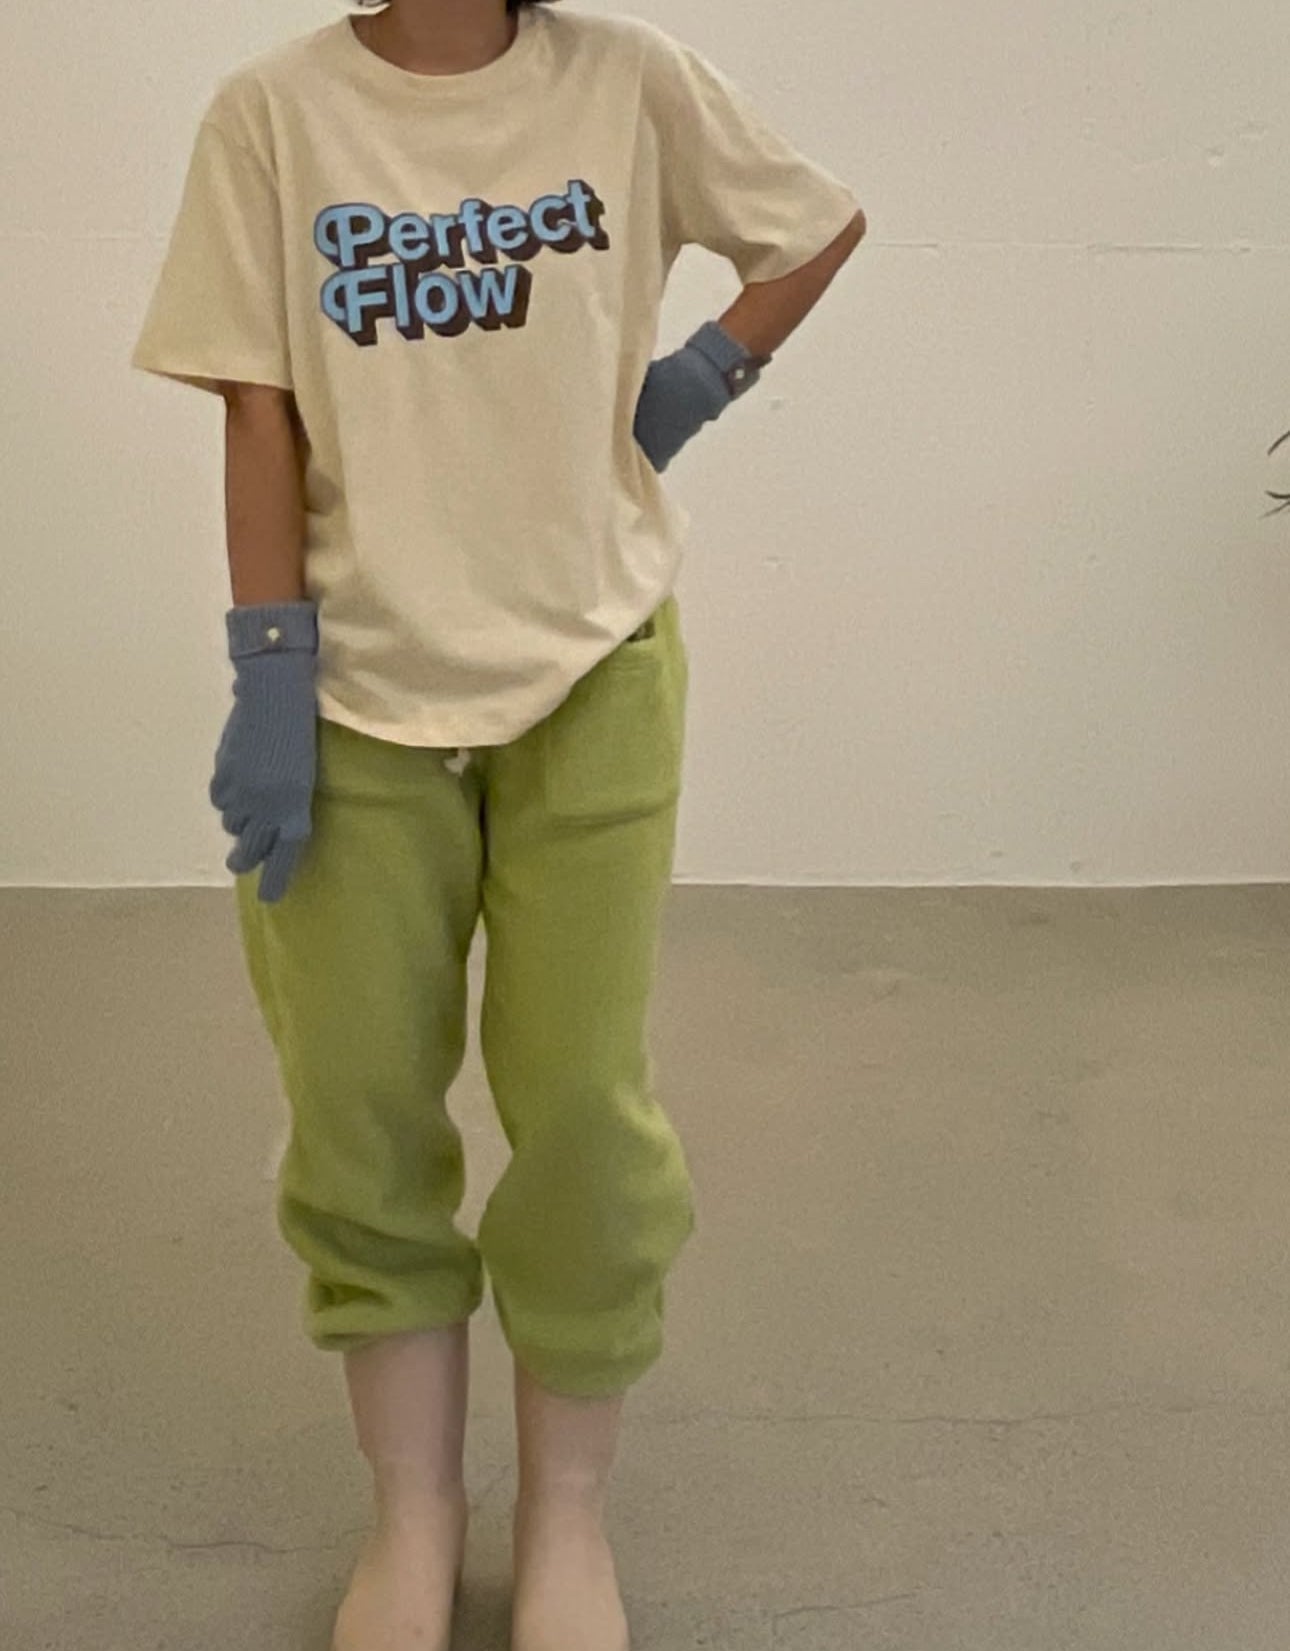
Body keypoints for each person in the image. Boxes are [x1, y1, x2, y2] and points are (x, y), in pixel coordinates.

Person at [130, 1, 864, 1645]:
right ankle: (410, 1516)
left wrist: (699, 377)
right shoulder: (272, 113)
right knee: (356, 1110)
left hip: (588, 670)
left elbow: (812, 226)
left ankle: (565, 1518)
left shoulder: (630, 79)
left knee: (583, 1110)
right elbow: (255, 405)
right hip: (353, 697)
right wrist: (268, 666)